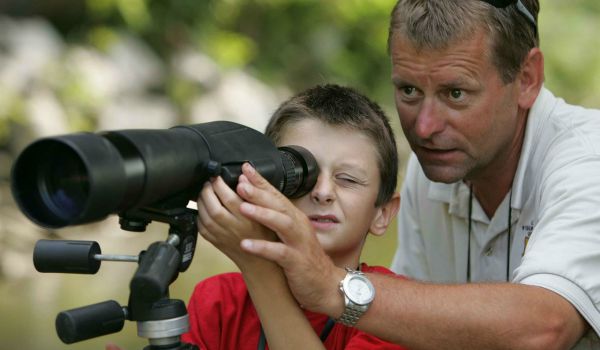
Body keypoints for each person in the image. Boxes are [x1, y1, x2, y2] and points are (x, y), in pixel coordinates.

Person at [211, 1, 600, 349]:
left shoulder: (588, 159)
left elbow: (545, 328)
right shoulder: (430, 173)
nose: (425, 128)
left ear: (527, 78)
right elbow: (406, 327)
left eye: (456, 94)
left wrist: (330, 285)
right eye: (409, 90)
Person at [183, 84, 407, 349]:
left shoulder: (392, 309)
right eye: (300, 175)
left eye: (347, 179)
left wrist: (258, 267)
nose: (323, 192)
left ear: (382, 213)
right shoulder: (218, 301)